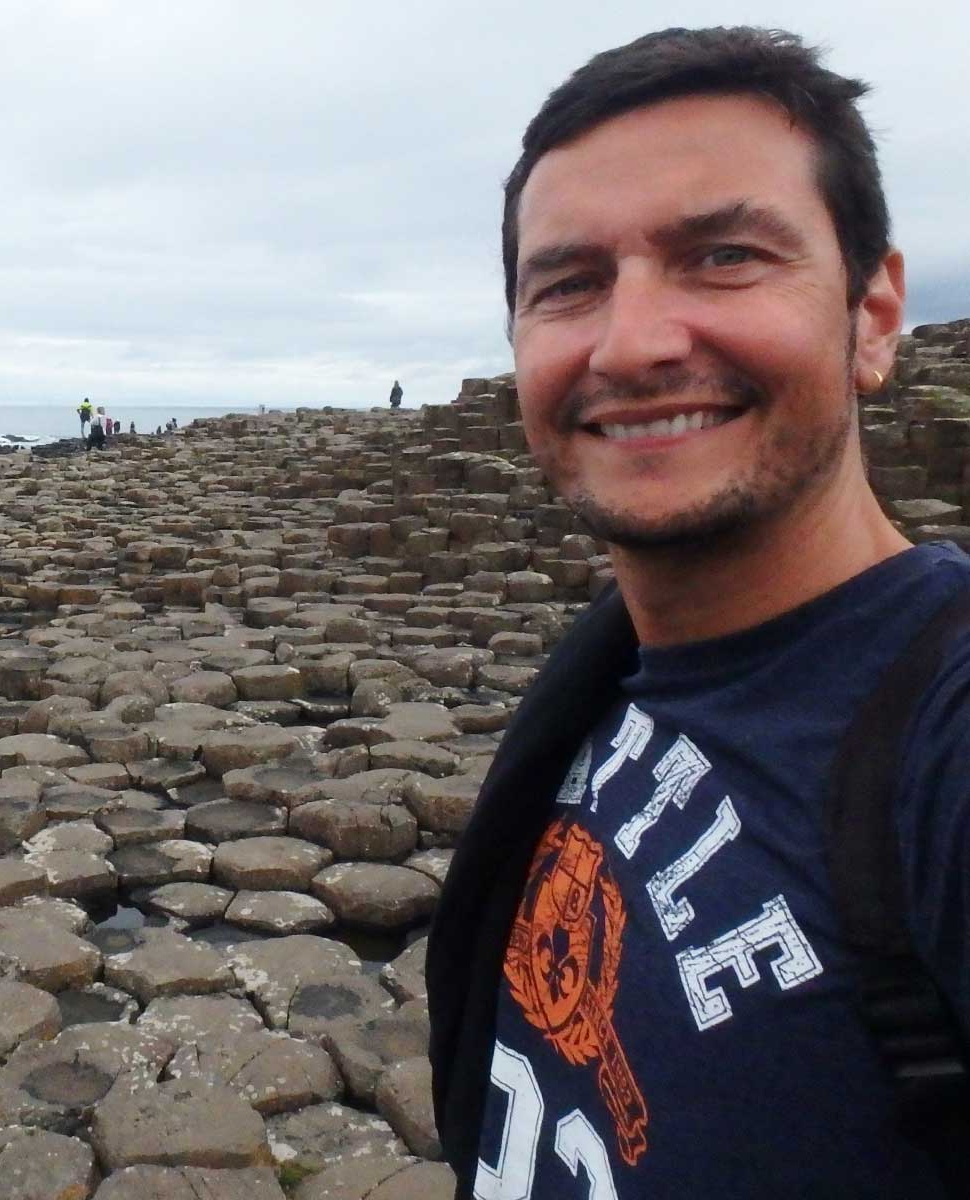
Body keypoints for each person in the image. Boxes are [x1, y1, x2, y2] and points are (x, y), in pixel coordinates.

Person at [425, 27, 968, 1199]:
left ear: (872, 313)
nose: (631, 344)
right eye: (568, 284)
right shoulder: (608, 671)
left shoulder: (941, 741)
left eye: (721, 256)